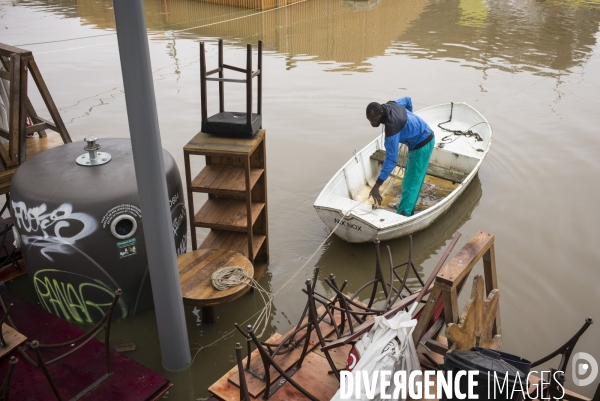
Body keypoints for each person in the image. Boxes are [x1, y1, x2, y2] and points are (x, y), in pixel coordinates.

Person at [366, 97, 434, 216]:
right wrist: (408, 124)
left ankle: (404, 214)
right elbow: (408, 100)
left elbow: (392, 160)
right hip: (422, 135)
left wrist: (377, 185)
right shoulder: (391, 104)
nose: (372, 124)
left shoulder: (392, 129)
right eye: (370, 121)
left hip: (422, 144)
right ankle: (408, 207)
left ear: (381, 114)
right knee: (411, 177)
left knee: (411, 182)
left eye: (375, 120)